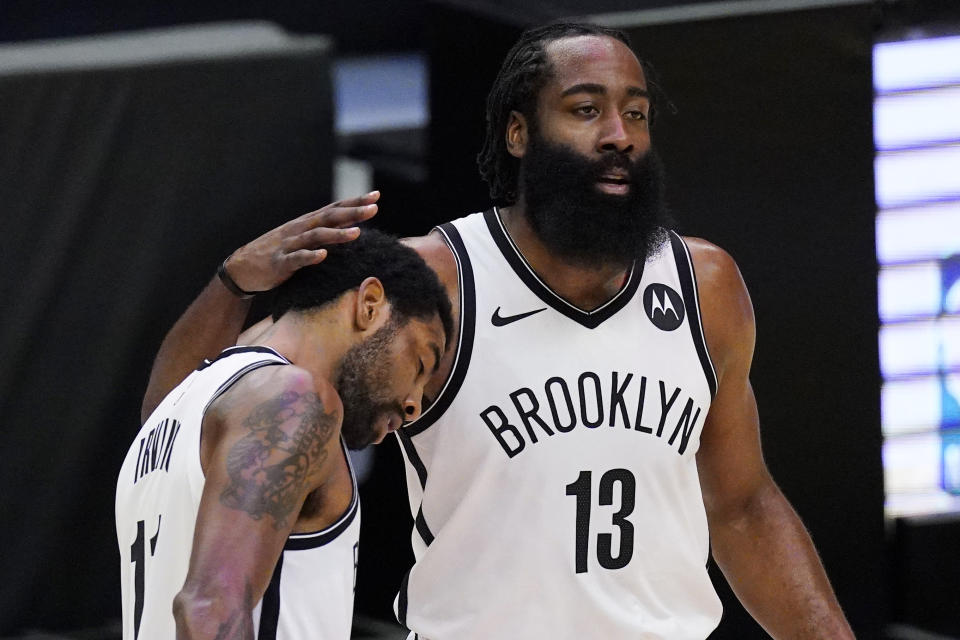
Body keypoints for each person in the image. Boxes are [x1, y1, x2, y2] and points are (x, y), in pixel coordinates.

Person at [140, 22, 855, 640]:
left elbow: (742, 505)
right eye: (586, 109)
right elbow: (183, 423)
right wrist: (231, 284)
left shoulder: (706, 286)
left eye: (636, 116)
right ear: (519, 132)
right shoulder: (436, 281)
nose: (619, 136)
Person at [116, 230, 452, 640]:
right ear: (369, 304)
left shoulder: (175, 411)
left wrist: (232, 281)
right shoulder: (293, 402)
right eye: (420, 363)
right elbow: (209, 612)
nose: (415, 404)